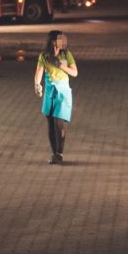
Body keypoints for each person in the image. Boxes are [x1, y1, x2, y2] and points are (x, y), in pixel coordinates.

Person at [34, 30, 78, 163]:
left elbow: (75, 73)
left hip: (63, 92)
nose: (64, 41)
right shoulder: (44, 56)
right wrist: (37, 85)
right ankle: (54, 154)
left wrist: (62, 66)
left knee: (58, 122)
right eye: (61, 39)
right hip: (49, 91)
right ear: (54, 41)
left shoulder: (66, 54)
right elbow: (39, 72)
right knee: (51, 124)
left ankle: (60, 153)